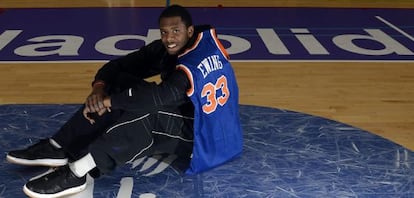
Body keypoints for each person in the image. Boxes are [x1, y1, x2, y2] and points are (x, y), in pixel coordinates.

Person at [6, 4, 243, 197]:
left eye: (175, 31)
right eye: (164, 32)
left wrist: (109, 102)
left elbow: (158, 97)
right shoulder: (170, 48)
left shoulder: (190, 64)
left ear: (189, 31)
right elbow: (118, 66)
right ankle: (60, 147)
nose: (169, 38)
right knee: (120, 83)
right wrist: (100, 89)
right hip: (192, 114)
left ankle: (77, 172)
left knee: (147, 115)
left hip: (204, 136)